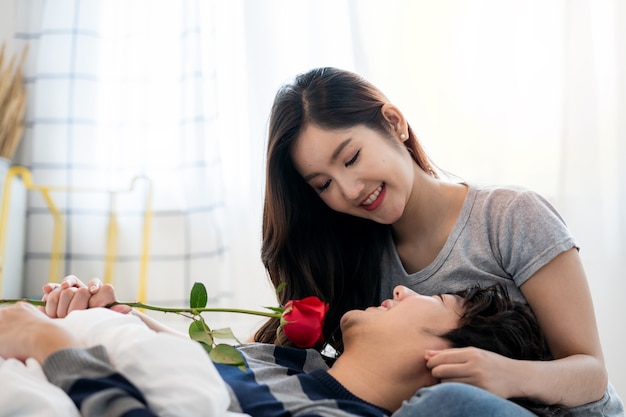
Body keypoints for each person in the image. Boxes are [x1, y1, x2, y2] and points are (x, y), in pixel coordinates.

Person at [250, 67, 622, 415]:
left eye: (351, 158)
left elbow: (591, 372)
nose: (349, 190)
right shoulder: (359, 258)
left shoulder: (510, 217)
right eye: (324, 185)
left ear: (394, 124)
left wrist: (508, 374)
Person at [7, 280, 567, 416]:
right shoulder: (292, 359)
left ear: (445, 361)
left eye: (435, 297)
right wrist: (97, 312)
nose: (400, 288)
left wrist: (54, 344)